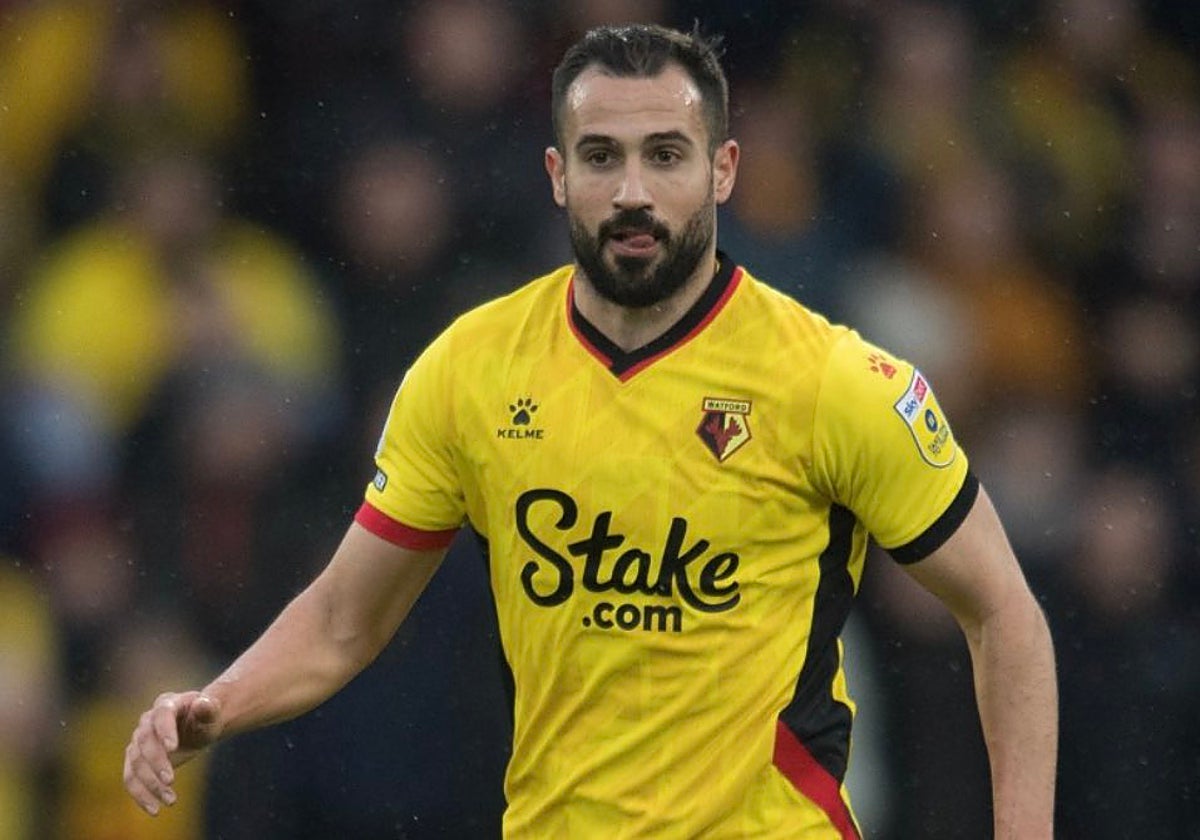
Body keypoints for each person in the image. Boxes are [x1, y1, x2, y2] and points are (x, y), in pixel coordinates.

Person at [122, 23, 1057, 838]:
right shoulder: (470, 370)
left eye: (667, 154)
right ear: (558, 175)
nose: (633, 192)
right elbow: (340, 621)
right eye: (603, 157)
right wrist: (216, 704)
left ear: (723, 170)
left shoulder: (833, 381)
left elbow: (1004, 612)